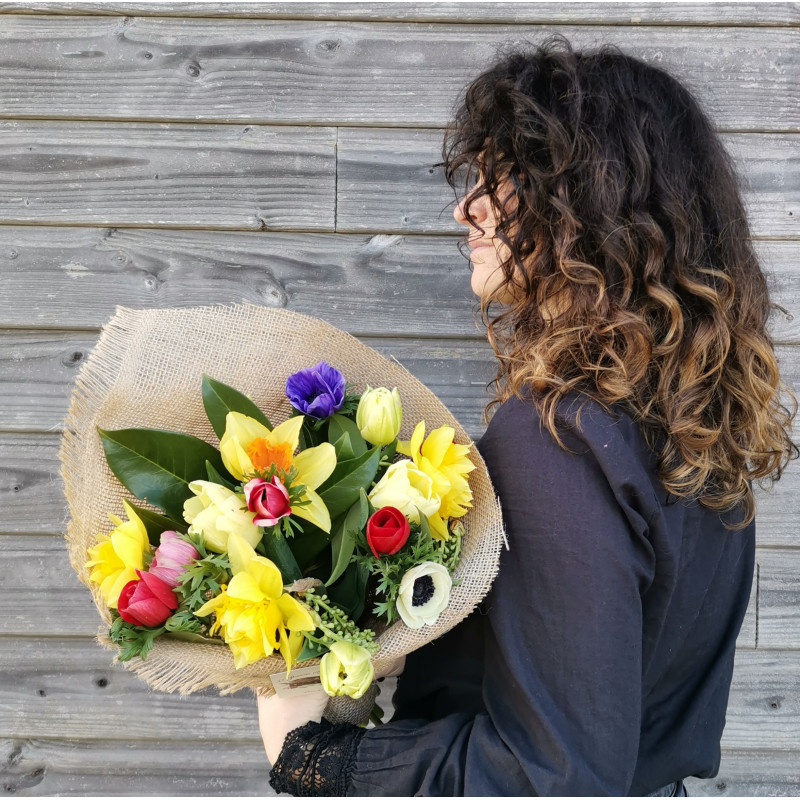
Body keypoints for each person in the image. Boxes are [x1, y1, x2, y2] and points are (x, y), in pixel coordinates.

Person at [256, 34, 798, 796]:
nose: (465, 207)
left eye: (500, 179)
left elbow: (557, 780)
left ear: (587, 206)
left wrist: (322, 756)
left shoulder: (562, 439)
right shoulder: (692, 427)